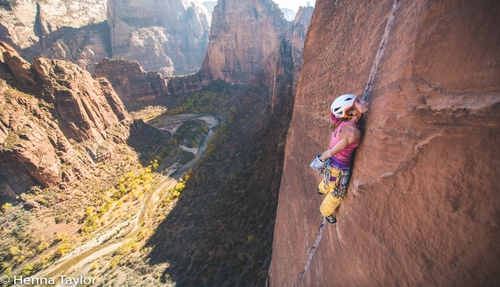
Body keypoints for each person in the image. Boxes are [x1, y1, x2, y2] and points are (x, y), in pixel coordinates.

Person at [310, 94, 368, 224]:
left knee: (328, 179)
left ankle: (322, 188)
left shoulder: (342, 122)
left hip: (333, 164)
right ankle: (325, 211)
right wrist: (321, 159)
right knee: (337, 194)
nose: (363, 101)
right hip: (339, 169)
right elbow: (331, 152)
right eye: (358, 102)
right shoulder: (352, 133)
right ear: (351, 112)